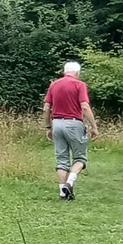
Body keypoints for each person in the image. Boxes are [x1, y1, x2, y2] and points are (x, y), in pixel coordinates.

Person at [44, 60, 99, 200]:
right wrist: (94, 126)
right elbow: (85, 107)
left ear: (64, 71)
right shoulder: (79, 85)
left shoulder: (54, 85)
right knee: (80, 158)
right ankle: (69, 183)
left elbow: (46, 108)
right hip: (74, 123)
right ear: (77, 73)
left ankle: (63, 193)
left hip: (57, 123)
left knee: (62, 160)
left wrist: (48, 127)